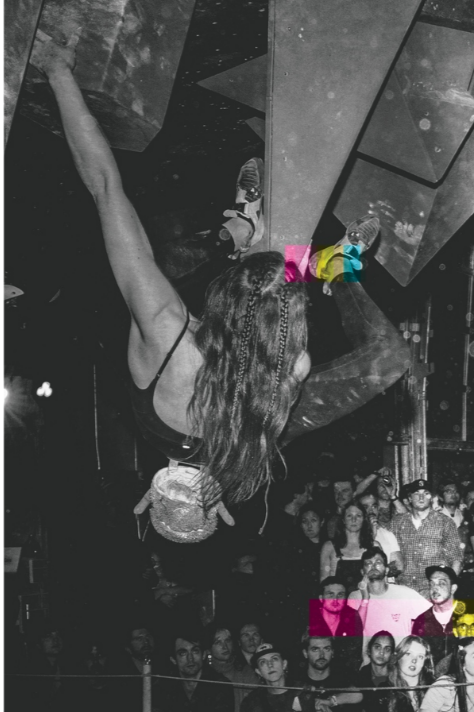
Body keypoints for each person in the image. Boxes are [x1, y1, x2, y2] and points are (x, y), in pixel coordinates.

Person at [31, 32, 408, 547]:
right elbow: (104, 187)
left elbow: (295, 367)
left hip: (287, 328)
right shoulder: (167, 346)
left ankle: (310, 262)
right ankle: (264, 244)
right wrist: (56, 69)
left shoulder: (262, 423)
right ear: (152, 485)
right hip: (267, 318)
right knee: (152, 254)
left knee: (358, 367)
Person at [348, 547, 431, 661]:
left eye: (378, 562)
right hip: (369, 664)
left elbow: (431, 617)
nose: (373, 566)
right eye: (368, 563)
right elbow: (353, 631)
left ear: (387, 570)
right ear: (362, 571)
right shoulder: (355, 597)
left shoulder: (404, 593)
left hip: (400, 663)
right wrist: (365, 598)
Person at [296, 635, 363, 712]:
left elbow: (358, 694)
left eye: (326, 649)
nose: (321, 655)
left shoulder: (343, 675)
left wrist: (330, 701)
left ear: (332, 652)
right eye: (315, 649)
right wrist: (313, 705)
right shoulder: (297, 680)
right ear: (305, 653)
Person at [392, 479, 463, 594]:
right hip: (404, 589)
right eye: (417, 494)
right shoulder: (397, 523)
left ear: (431, 497)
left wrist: (448, 589)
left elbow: (456, 559)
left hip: (432, 590)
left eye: (426, 493)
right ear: (409, 498)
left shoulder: (445, 522)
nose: (421, 498)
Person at [411, 565, 464, 668]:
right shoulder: (421, 621)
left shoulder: (468, 617)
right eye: (432, 583)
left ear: (453, 588)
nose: (435, 588)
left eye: (441, 583)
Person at [320, 501, 374, 592]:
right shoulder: (329, 547)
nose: (354, 520)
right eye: (349, 516)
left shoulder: (373, 546)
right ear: (343, 520)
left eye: (358, 516)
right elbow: (323, 583)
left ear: (364, 519)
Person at [307, 577, 363, 665]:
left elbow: (355, 655)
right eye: (330, 595)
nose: (335, 600)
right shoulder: (310, 619)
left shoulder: (352, 617)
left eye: (340, 595)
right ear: (321, 598)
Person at [356, 489, 403, 572]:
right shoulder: (352, 535)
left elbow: (398, 566)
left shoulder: (387, 534)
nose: (371, 511)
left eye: (374, 507)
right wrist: (372, 533)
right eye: (366, 507)